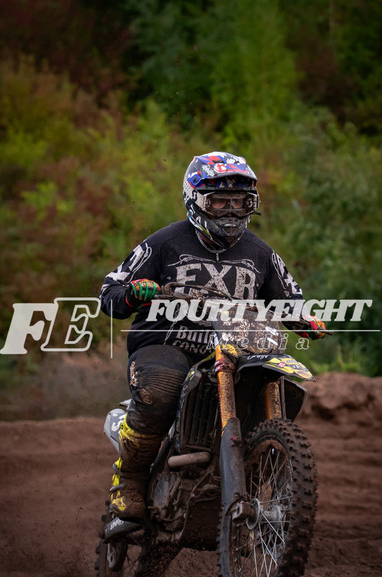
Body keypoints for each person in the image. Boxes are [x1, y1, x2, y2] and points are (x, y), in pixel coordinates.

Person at [100, 151, 326, 524]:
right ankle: (130, 481)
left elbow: (289, 300)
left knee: (279, 386)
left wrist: (304, 319)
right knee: (160, 391)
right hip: (168, 344)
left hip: (236, 349)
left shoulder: (260, 252)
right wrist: (134, 293)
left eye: (241, 202)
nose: (232, 211)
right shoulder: (165, 242)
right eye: (220, 201)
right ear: (196, 200)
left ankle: (255, 479)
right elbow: (110, 293)